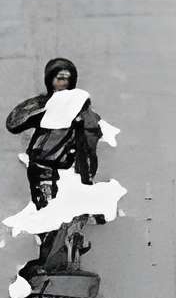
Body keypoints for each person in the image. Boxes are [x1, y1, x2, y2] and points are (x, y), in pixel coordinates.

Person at [6, 58, 104, 210]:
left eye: (67, 79)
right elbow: (13, 125)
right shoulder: (45, 104)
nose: (63, 84)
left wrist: (88, 177)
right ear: (50, 79)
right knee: (45, 211)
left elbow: (89, 142)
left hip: (68, 168)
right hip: (41, 165)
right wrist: (39, 105)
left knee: (66, 213)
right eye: (60, 79)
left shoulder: (79, 106)